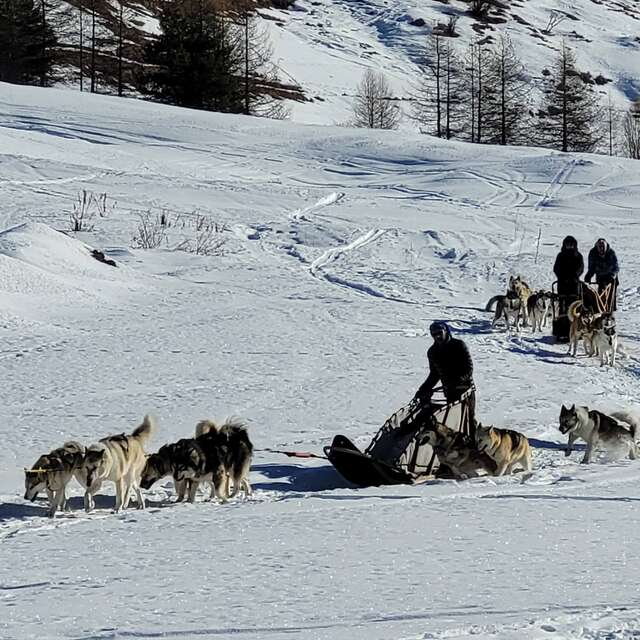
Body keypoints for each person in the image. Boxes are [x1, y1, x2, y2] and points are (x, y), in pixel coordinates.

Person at [400, 321, 476, 438]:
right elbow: (434, 374)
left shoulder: (459, 345)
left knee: (467, 420)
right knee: (450, 420)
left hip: (465, 390)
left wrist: (457, 381)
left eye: (440, 333)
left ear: (446, 331)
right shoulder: (433, 352)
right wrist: (423, 389)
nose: (437, 336)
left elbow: (468, 369)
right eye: (434, 334)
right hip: (449, 390)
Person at [552, 236, 584, 341]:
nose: (569, 246)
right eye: (567, 244)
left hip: (574, 285)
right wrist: (562, 277)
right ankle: (562, 331)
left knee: (575, 308)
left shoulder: (578, 256)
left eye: (571, 244)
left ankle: (576, 330)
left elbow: (580, 268)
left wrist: (574, 276)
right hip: (562, 284)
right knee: (562, 307)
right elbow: (556, 268)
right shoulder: (560, 256)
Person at [585, 238, 619, 311]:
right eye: (600, 247)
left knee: (611, 296)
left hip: (611, 276)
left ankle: (610, 312)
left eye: (603, 247)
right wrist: (588, 276)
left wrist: (613, 275)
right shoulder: (593, 253)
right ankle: (601, 310)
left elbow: (616, 267)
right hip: (600, 276)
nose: (601, 249)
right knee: (601, 294)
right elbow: (591, 267)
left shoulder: (611, 253)